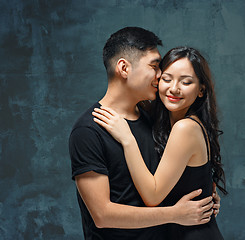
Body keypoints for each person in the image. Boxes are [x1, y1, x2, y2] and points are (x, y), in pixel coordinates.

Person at [69, 28, 220, 240]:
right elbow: (102, 215)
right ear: (124, 68)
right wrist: (176, 214)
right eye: (155, 67)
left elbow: (172, 178)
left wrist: (203, 194)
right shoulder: (89, 130)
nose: (161, 76)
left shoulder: (155, 118)